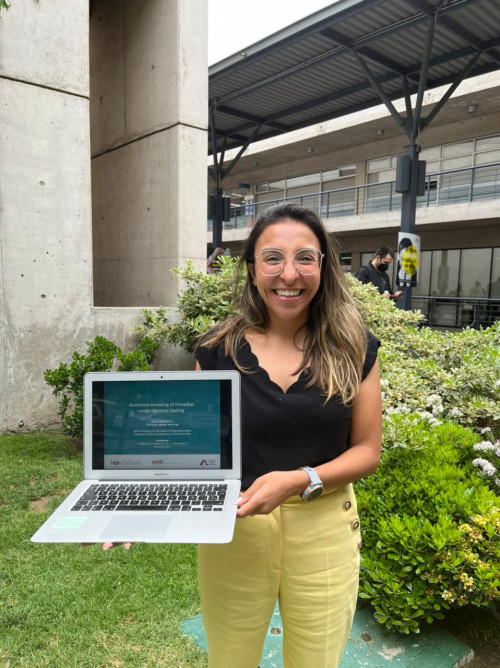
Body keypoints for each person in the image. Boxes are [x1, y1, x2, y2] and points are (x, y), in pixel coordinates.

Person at [102, 203, 382, 668]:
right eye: (272, 257)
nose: (288, 273)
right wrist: (138, 509)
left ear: (323, 268)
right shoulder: (216, 349)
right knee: (230, 660)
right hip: (233, 527)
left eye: (305, 258)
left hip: (325, 527)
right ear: (252, 270)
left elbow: (367, 450)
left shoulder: (353, 347)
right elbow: (188, 452)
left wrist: (299, 478)